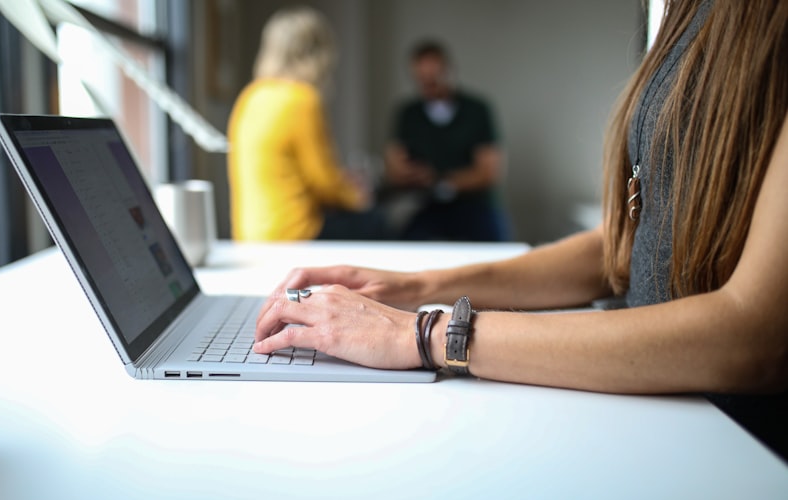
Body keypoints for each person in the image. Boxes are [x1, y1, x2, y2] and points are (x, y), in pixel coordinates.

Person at [253, 0, 788, 459]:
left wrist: (421, 332)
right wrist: (411, 288)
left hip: (738, 443)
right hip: (657, 411)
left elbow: (754, 337)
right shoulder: (688, 14)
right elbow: (623, 246)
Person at [227, 7, 382, 241]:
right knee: (378, 222)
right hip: (293, 233)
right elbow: (324, 182)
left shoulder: (250, 96)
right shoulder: (302, 99)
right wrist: (359, 198)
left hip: (249, 234)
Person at [382, 40, 509, 241]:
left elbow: (488, 172)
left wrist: (440, 181)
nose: (429, 86)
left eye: (434, 78)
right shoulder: (409, 114)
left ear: (450, 71)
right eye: (422, 80)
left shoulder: (476, 110)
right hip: (429, 207)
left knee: (499, 250)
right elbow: (395, 166)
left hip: (475, 207)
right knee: (402, 247)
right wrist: (409, 175)